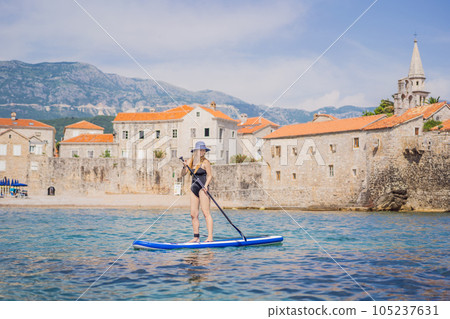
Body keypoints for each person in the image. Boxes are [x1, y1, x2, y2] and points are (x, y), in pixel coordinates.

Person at [181, 141, 213, 243]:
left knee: (205, 212)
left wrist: (206, 186)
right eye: (200, 150)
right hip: (193, 188)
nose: (202, 152)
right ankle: (196, 237)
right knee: (193, 214)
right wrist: (184, 166)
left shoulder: (205, 162)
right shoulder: (191, 161)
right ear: (195, 151)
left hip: (203, 188)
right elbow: (182, 174)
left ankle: (210, 237)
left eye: (203, 150)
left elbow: (209, 175)